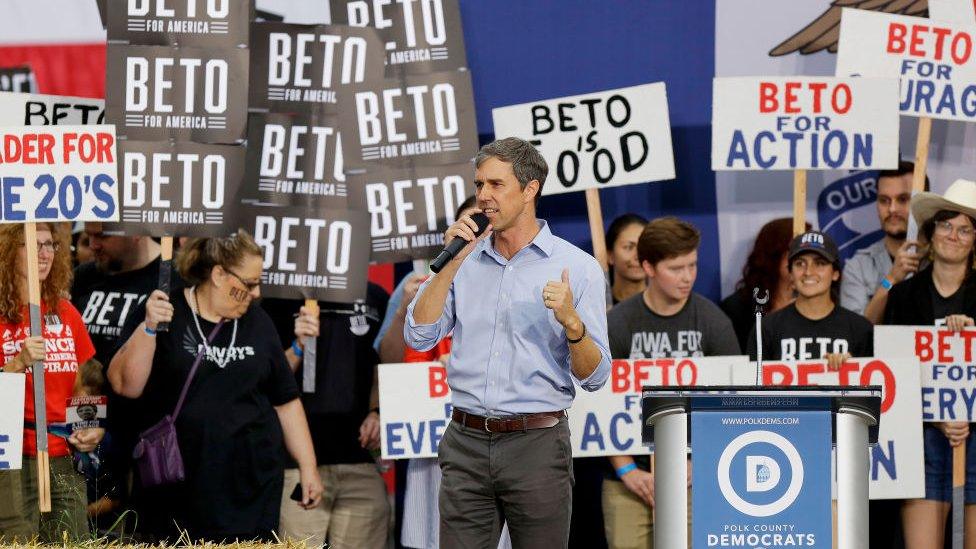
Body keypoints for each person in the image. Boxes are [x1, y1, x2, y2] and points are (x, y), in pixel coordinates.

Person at [405, 137, 611, 548]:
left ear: (530, 188)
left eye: (496, 185)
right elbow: (419, 333)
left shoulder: (578, 268)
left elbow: (596, 376)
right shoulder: (463, 260)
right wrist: (451, 262)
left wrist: (573, 324)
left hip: (536, 445)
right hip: (465, 440)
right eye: (480, 184)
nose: (483, 197)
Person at [107, 231, 322, 542]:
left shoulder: (258, 322)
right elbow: (125, 386)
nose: (256, 292)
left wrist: (308, 466)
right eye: (249, 284)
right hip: (178, 488)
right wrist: (149, 327)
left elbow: (285, 400)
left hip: (251, 486)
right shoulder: (165, 309)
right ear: (219, 274)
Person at [603, 216, 740, 549]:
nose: (688, 276)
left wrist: (699, 459)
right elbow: (598, 400)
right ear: (648, 267)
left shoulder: (712, 321)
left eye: (692, 265)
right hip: (628, 478)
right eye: (676, 268)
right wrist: (627, 471)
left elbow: (734, 399)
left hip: (697, 474)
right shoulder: (618, 322)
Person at [884, 179, 976, 549]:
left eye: (965, 228)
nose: (953, 235)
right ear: (931, 231)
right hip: (920, 442)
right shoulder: (904, 295)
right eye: (945, 225)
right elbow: (891, 372)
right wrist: (939, 414)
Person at [264, 283, 391, 549]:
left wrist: (379, 411)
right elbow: (266, 381)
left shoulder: (376, 296)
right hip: (295, 467)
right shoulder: (277, 297)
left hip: (360, 462)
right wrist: (298, 345)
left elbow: (384, 362)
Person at [0, 222, 102, 542]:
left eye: (51, 245)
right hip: (10, 459)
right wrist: (17, 364)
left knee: (74, 540)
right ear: (6, 253)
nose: (45, 254)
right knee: (16, 541)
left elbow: (86, 379)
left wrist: (90, 427)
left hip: (63, 454)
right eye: (34, 244)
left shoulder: (66, 312)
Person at [748, 230, 873, 365]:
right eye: (800, 264)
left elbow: (877, 382)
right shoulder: (766, 329)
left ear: (835, 274)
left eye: (819, 263)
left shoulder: (860, 329)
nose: (808, 272)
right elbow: (753, 381)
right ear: (790, 274)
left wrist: (852, 368)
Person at [842, 161, 925, 323]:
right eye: (884, 200)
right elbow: (856, 336)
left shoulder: (943, 260)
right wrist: (891, 279)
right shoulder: (857, 266)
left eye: (902, 199)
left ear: (924, 203)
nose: (892, 209)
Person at [720, 218, 807, 353]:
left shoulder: (819, 301)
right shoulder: (737, 309)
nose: (804, 260)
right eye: (794, 251)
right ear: (773, 255)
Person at [606, 213, 648, 305]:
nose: (638, 256)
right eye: (628, 247)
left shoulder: (666, 303)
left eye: (644, 246)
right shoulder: (597, 306)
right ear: (610, 255)